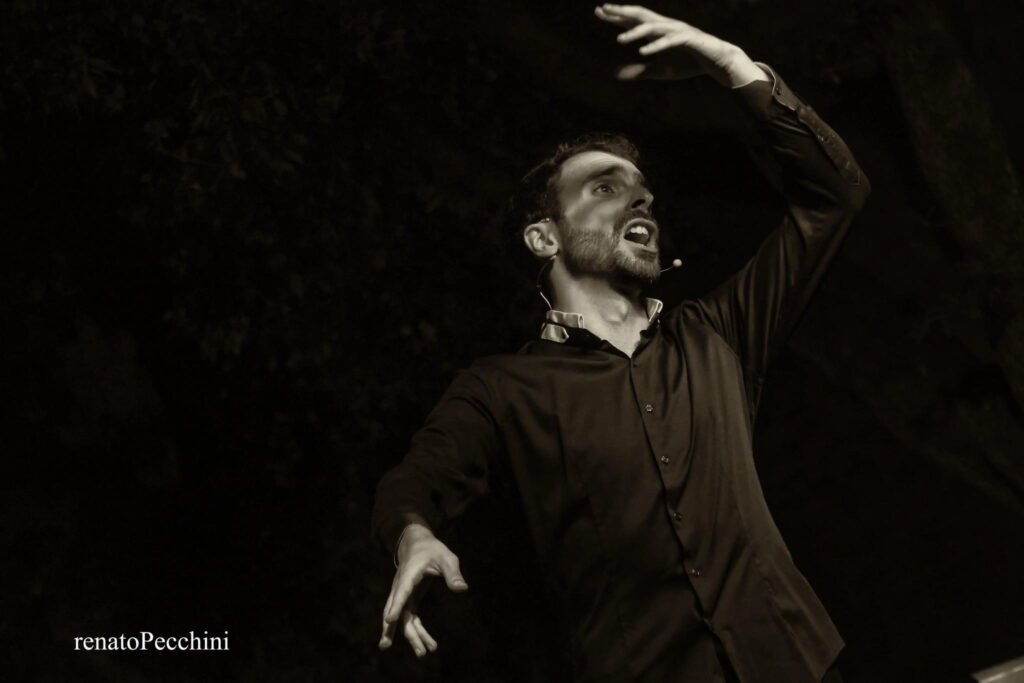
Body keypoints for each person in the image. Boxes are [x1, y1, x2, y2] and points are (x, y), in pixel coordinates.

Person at [371, 4, 869, 682]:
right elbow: (416, 480)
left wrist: (731, 65)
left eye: (643, 193)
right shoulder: (502, 389)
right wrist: (413, 533)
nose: (640, 201)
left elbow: (835, 195)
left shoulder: (716, 335)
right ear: (543, 238)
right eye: (605, 188)